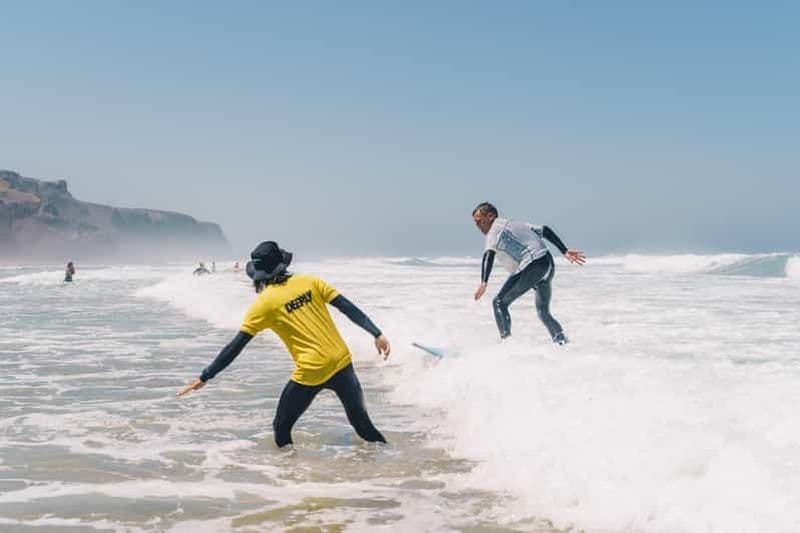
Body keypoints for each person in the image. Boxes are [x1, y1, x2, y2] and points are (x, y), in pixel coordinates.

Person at [178, 241, 391, 448]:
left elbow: (236, 346)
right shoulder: (310, 282)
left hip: (311, 371)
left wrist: (205, 376)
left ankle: (291, 475)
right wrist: (377, 334)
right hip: (342, 361)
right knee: (362, 425)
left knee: (281, 427)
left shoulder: (264, 304)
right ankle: (391, 462)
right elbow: (347, 307)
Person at [472, 202, 585, 344]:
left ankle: (507, 345)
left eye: (479, 221)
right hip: (547, 263)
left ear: (490, 216)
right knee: (543, 312)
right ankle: (561, 341)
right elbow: (544, 230)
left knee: (499, 302)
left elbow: (488, 254)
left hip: (533, 265)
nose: (477, 226)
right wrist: (564, 250)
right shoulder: (516, 224)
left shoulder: (494, 230)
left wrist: (484, 282)